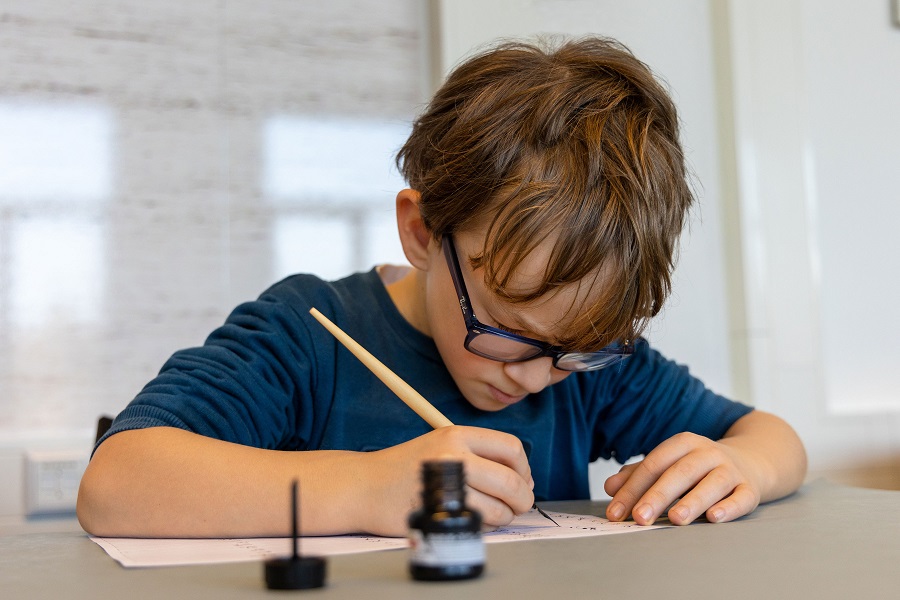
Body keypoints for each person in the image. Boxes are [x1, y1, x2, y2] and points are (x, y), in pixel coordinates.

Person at [77, 36, 807, 538]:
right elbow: (116, 483)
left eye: (575, 350)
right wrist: (366, 490)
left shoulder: (583, 371)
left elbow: (772, 438)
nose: (533, 376)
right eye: (505, 329)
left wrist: (742, 464)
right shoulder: (308, 333)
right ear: (424, 234)